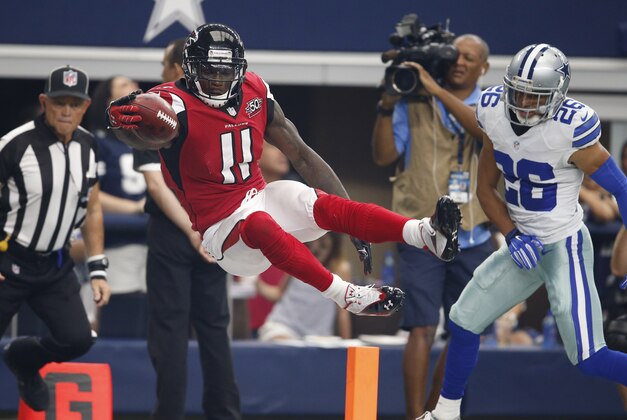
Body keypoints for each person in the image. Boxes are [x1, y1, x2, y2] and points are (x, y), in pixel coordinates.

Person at [107, 23, 462, 324]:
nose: (216, 80)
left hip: (257, 196)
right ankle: (347, 295)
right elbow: (138, 131)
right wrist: (124, 123)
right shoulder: (171, 104)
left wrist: (352, 225)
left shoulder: (255, 90)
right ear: (188, 68)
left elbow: (302, 154)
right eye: (208, 70)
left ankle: (425, 234)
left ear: (240, 69)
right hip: (221, 231)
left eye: (224, 71)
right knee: (260, 222)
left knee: (309, 199)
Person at [419, 44, 627, 420]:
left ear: (557, 97)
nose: (524, 103)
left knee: (590, 358)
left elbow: (623, 189)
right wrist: (513, 236)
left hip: (564, 245)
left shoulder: (571, 129)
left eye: (535, 96)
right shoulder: (494, 112)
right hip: (523, 245)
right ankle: (445, 413)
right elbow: (485, 189)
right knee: (464, 320)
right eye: (519, 91)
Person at [372, 34, 492, 419]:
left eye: (470, 58)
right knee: (420, 326)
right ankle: (414, 416)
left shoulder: (491, 105)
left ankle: (437, 411)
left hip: (474, 232)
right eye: (455, 55)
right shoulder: (414, 100)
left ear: (483, 68)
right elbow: (383, 155)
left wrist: (436, 89)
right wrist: (387, 106)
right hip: (420, 230)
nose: (460, 62)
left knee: (468, 329)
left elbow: (483, 133)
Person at [132, 37, 241, 420]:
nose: (161, 75)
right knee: (214, 328)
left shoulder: (151, 107)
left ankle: (170, 415)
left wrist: (193, 232)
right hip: (214, 228)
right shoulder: (224, 105)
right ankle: (225, 414)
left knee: (170, 330)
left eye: (165, 67)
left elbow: (157, 186)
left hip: (179, 233)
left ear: (179, 68)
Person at [0, 65, 111, 411]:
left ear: (86, 106)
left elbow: (92, 209)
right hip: (9, 261)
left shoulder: (89, 146)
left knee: (78, 339)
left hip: (54, 265)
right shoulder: (13, 145)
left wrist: (97, 268)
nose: (66, 111)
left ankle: (25, 360)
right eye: (59, 102)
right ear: (43, 102)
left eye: (73, 104)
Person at [86, 76, 149, 337]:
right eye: (123, 85)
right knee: (119, 317)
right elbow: (89, 194)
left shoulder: (152, 138)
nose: (133, 86)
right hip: (116, 243)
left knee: (150, 317)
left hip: (154, 245)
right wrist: (134, 208)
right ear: (108, 100)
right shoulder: (99, 143)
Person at [258, 232, 352, 341]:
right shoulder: (296, 258)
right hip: (284, 326)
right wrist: (257, 284)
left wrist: (347, 345)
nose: (315, 248)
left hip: (319, 335)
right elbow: (279, 293)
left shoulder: (339, 269)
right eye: (312, 243)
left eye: (323, 245)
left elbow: (343, 313)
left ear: (333, 247)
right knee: (284, 346)